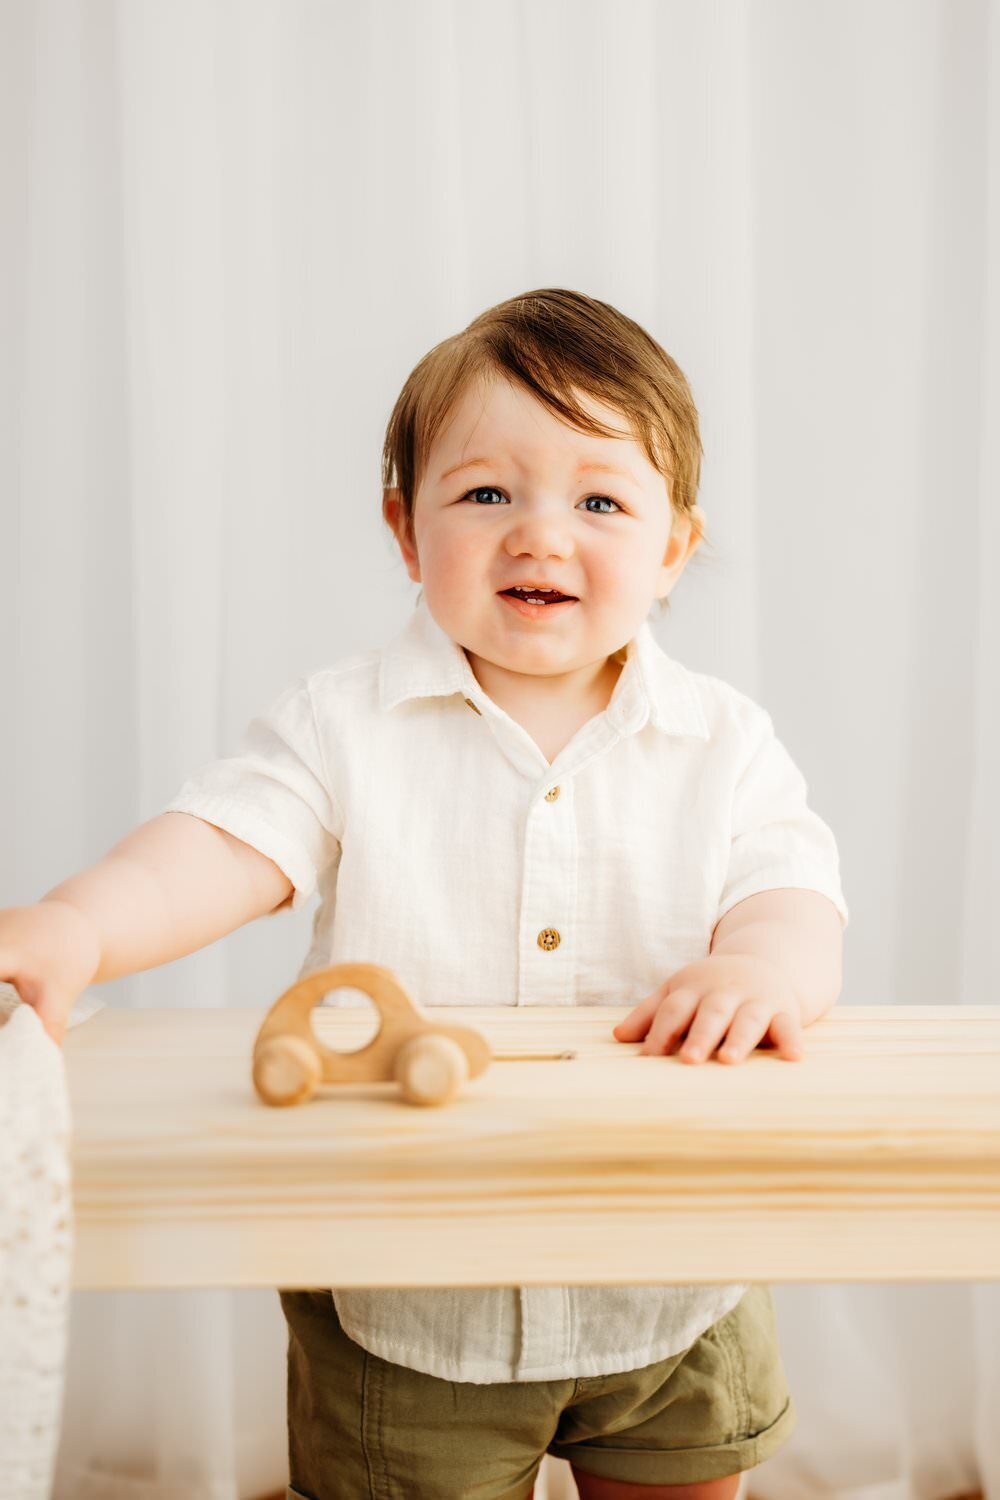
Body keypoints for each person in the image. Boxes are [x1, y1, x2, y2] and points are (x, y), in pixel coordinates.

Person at [0, 288, 848, 1500]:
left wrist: (762, 966)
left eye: (599, 500)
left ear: (672, 550)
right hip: (410, 1308)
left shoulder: (723, 740)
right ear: (406, 530)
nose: (540, 535)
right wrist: (79, 923)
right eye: (486, 493)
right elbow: (221, 844)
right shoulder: (342, 726)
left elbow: (793, 884)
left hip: (670, 1277)